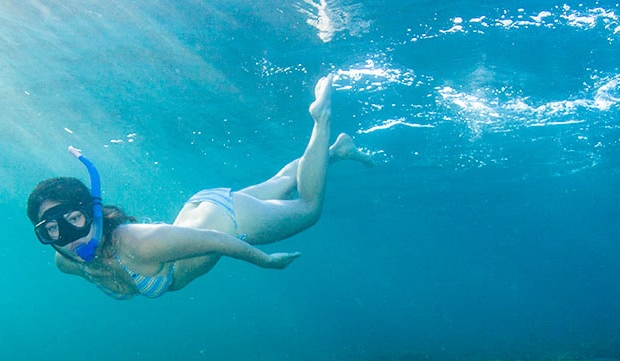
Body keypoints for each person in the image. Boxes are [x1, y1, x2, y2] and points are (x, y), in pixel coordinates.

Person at [25, 75, 373, 299]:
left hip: (230, 223)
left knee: (308, 207)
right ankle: (337, 151)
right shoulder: (67, 260)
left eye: (73, 218)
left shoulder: (137, 244)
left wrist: (265, 262)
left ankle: (321, 120)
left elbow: (217, 242)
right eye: (52, 229)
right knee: (281, 183)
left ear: (93, 212)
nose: (70, 236)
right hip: (204, 209)